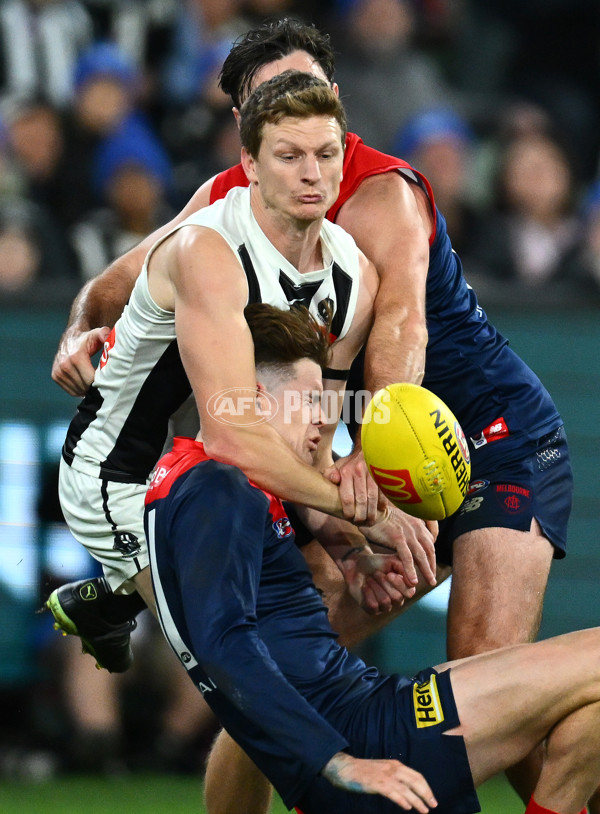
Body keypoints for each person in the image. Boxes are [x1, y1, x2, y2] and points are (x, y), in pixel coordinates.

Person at [49, 18, 571, 807]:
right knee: (277, 667)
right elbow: (123, 285)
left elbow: (398, 345)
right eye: (277, 109)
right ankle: (134, 582)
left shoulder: (379, 201)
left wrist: (374, 497)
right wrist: (76, 325)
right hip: (366, 447)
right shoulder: (223, 210)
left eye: (313, 100)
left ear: (338, 102)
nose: (300, 125)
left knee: (487, 686)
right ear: (247, 134)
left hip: (487, 437)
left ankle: (132, 585)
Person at [146, 301, 597, 814]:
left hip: (366, 721)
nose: (326, 417)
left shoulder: (195, 479)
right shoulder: (218, 489)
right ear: (252, 398)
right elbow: (224, 647)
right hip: (369, 736)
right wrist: (335, 761)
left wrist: (352, 553)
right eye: (311, 399)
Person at [48, 69, 432, 671]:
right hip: (123, 475)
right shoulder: (209, 249)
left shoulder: (354, 280)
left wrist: (350, 549)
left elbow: (310, 437)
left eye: (326, 154)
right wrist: (366, 515)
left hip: (222, 475)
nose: (311, 173)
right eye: (289, 156)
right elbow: (233, 434)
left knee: (308, 611)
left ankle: (111, 603)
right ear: (249, 164)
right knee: (241, 665)